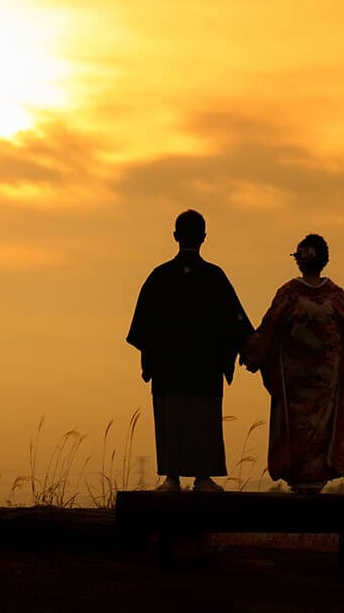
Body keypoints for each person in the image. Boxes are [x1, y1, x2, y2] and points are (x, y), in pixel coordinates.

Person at [127, 210, 253, 492]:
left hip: (168, 368)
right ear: (204, 238)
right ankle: (203, 477)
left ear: (175, 236)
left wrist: (154, 354)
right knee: (203, 419)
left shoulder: (159, 276)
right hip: (204, 369)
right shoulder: (214, 276)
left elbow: (142, 327)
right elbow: (237, 322)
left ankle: (171, 478)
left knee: (171, 419)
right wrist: (252, 348)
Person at [241, 234, 344, 493]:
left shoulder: (290, 294)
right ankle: (316, 478)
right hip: (326, 379)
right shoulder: (336, 297)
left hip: (295, 380)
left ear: (300, 260)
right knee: (323, 428)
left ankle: (302, 478)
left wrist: (251, 352)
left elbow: (269, 330)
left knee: (296, 429)